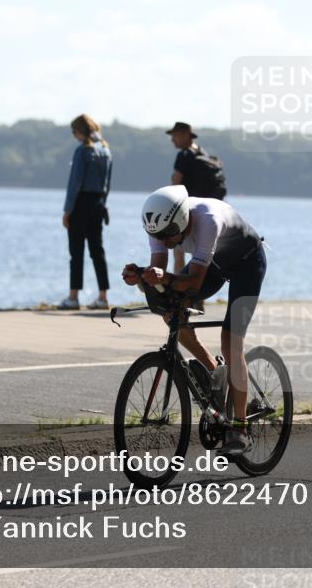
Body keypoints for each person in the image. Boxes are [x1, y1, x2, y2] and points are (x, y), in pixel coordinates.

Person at [122, 185, 265, 456]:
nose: (163, 241)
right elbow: (160, 275)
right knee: (170, 312)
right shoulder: (159, 226)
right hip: (213, 263)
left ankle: (241, 430)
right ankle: (214, 373)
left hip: (247, 262)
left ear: (182, 221)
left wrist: (162, 277)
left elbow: (195, 280)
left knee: (230, 342)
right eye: (157, 237)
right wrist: (142, 277)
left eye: (168, 236)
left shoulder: (208, 220)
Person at [61, 114, 112, 310]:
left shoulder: (82, 151)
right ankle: (103, 296)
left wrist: (67, 210)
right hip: (98, 203)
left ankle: (73, 297)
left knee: (76, 252)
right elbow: (108, 183)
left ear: (80, 131)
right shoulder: (106, 151)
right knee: (97, 251)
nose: (74, 135)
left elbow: (75, 183)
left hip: (81, 203)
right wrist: (102, 204)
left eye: (74, 131)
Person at [166, 121, 227, 273]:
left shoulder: (184, 155)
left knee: (178, 252)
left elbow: (176, 182)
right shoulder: (202, 153)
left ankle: (178, 290)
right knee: (199, 254)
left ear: (185, 135)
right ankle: (198, 291)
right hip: (204, 211)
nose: (172, 140)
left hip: (186, 210)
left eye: (174, 136)